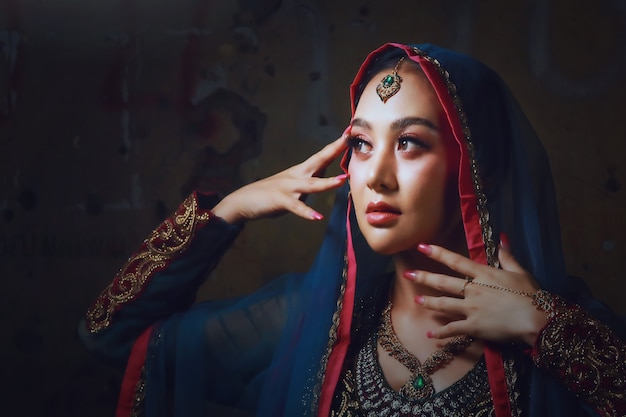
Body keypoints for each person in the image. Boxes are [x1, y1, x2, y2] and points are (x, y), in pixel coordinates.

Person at [79, 43, 626, 417]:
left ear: (478, 166)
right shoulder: (309, 324)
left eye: (409, 142)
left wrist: (546, 332)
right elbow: (110, 335)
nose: (376, 178)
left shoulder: (563, 331)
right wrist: (228, 212)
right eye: (361, 144)